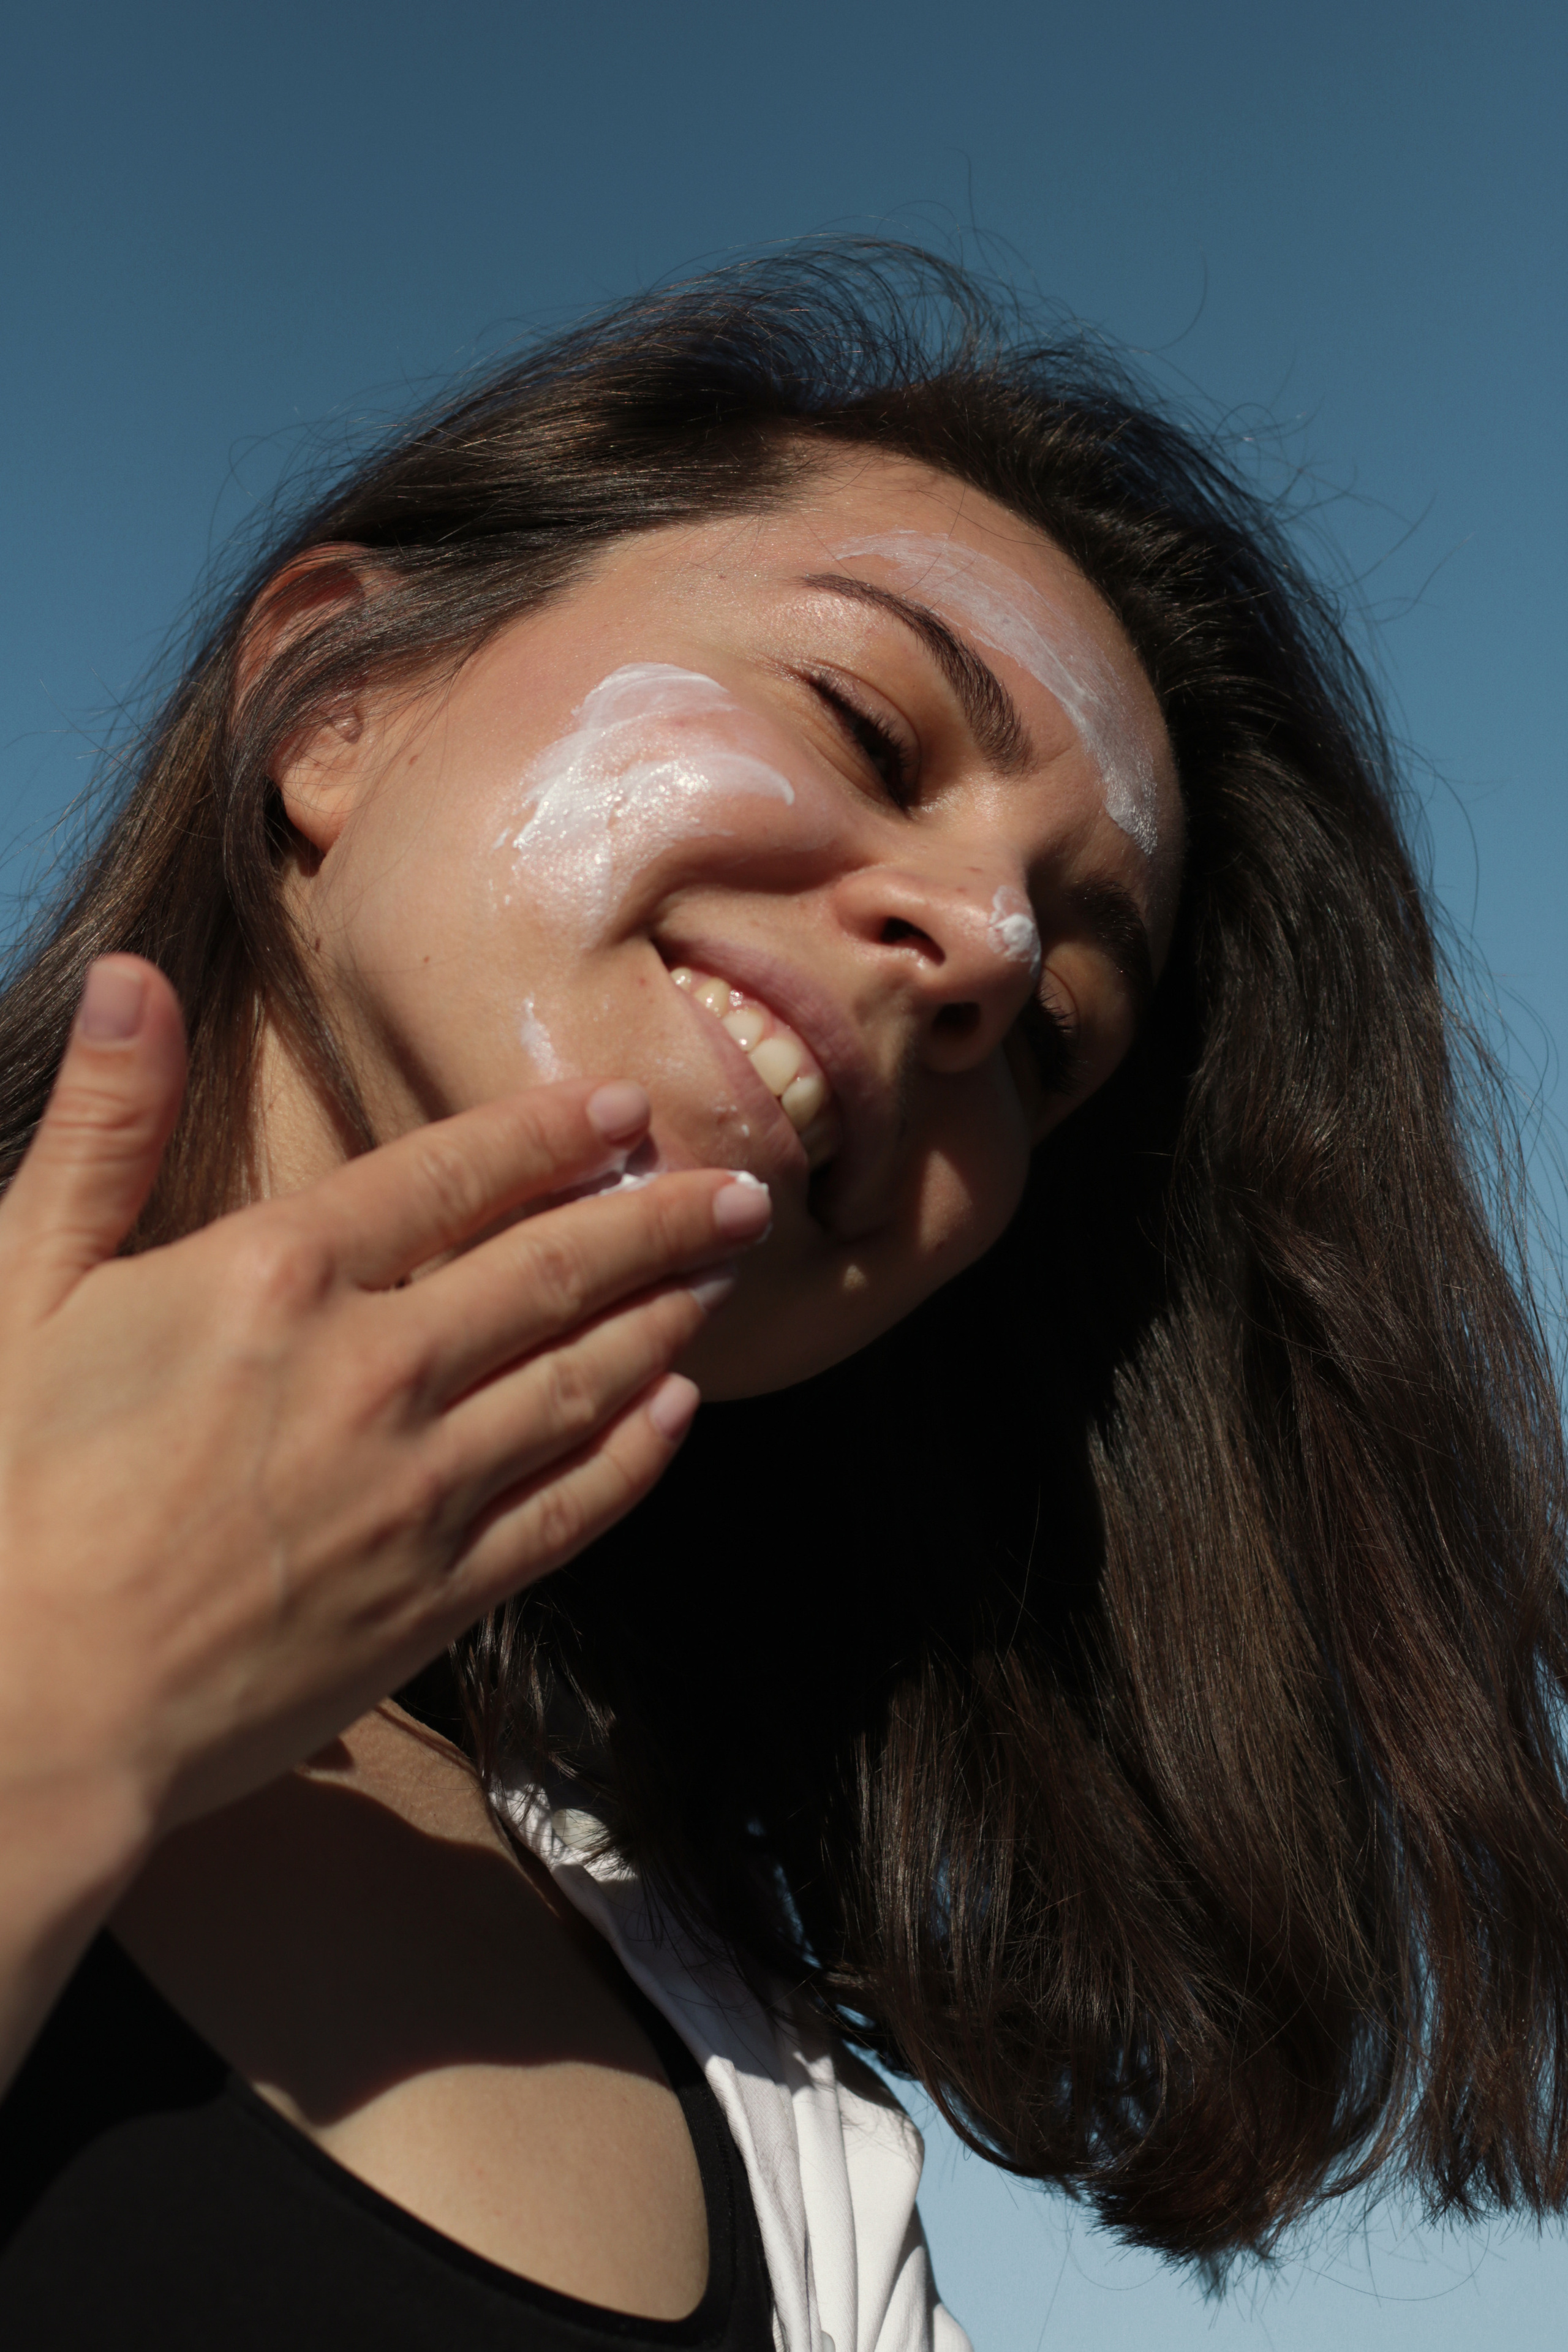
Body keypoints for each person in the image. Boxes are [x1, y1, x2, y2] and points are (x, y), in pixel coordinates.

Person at [1, 246, 1565, 2350]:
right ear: (339, 698)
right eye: (864, 722)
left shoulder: (795, 2154)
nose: (987, 944)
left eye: (1054, 1034)